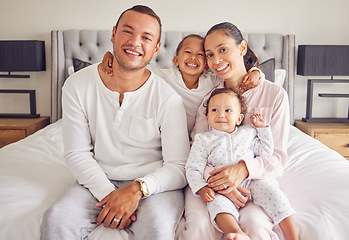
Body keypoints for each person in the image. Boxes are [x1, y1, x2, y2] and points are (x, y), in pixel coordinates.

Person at [40, 5, 190, 240]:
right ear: (113, 33)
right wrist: (112, 196)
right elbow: (77, 154)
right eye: (127, 32)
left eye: (146, 37)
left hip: (154, 185)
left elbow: (179, 167)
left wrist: (137, 190)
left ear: (156, 48)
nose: (134, 42)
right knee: (55, 219)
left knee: (158, 230)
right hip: (97, 179)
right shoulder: (77, 85)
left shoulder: (167, 97)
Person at [181, 22, 296, 240]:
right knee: (199, 227)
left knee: (257, 226)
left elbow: (277, 158)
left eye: (223, 50)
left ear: (242, 48)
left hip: (256, 180)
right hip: (212, 183)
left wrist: (242, 170)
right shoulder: (209, 99)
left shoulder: (275, 95)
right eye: (210, 55)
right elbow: (196, 149)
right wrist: (221, 184)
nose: (216, 61)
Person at [186, 88, 297, 240]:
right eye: (214, 110)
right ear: (207, 117)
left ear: (239, 118)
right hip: (221, 187)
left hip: (253, 181)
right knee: (217, 207)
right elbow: (193, 167)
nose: (221, 114)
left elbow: (266, 151)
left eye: (228, 110)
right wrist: (202, 188)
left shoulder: (248, 133)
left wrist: (263, 129)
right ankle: (237, 233)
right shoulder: (203, 140)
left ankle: (293, 236)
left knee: (275, 195)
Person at [100, 34, 262, 134]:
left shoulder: (212, 81)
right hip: (169, 135)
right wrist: (111, 56)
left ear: (207, 65)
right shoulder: (166, 76)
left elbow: (234, 76)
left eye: (200, 55)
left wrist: (256, 72)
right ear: (176, 60)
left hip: (199, 136)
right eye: (187, 52)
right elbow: (139, 67)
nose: (193, 57)